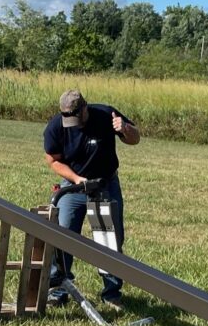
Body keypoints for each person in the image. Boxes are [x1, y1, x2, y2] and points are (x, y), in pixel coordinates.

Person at [43, 89, 140, 310]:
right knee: (63, 236)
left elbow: (135, 139)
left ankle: (111, 294)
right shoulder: (56, 126)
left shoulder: (106, 114)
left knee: (109, 239)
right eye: (69, 120)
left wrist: (125, 129)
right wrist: (77, 179)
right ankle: (57, 290)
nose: (74, 124)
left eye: (77, 118)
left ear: (85, 108)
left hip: (105, 185)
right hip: (74, 187)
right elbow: (52, 160)